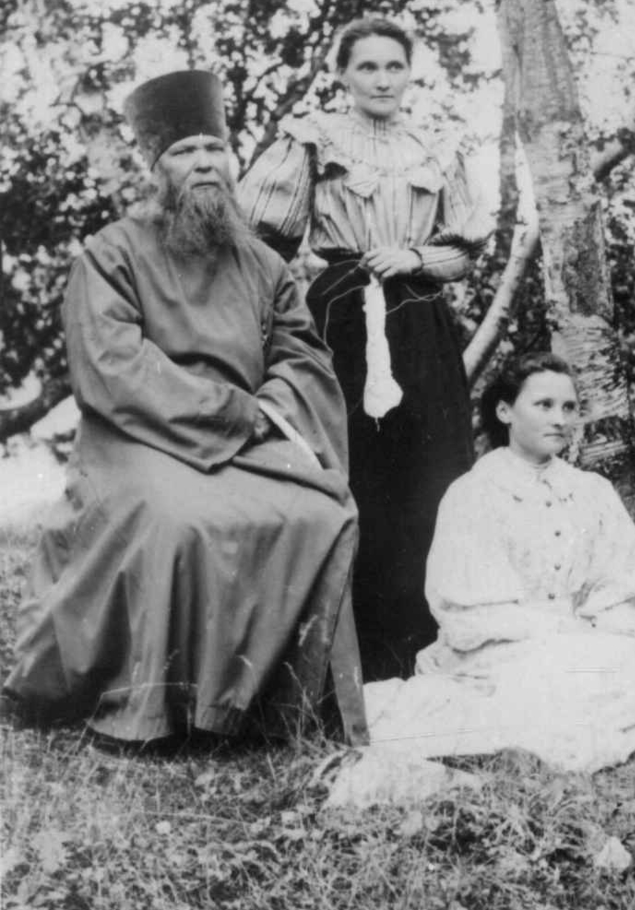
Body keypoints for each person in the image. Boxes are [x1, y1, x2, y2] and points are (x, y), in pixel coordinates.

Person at [0, 70, 366, 745]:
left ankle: (272, 707)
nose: (204, 163)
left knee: (322, 510)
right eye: (185, 152)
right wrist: (229, 410)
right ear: (156, 168)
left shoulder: (264, 265)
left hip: (252, 434)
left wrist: (266, 411)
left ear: (233, 162)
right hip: (137, 438)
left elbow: (303, 359)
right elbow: (112, 365)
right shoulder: (108, 253)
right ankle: (161, 710)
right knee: (179, 518)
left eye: (214, 150)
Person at [238, 17, 489, 680]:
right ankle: (348, 655)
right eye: (367, 67)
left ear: (410, 73)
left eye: (394, 66)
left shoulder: (438, 144)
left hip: (420, 321)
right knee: (354, 469)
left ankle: (426, 642)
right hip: (340, 318)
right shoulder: (311, 140)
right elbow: (265, 242)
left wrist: (413, 254)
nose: (382, 79)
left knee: (432, 472)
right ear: (342, 74)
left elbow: (464, 250)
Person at [361, 352, 635, 772]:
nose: (560, 419)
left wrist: (597, 632)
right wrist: (558, 634)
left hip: (581, 642)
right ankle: (538, 742)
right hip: (496, 651)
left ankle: (532, 740)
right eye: (544, 405)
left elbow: (623, 587)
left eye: (569, 407)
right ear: (505, 411)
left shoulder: (591, 490)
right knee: (550, 686)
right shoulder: (474, 493)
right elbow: (468, 615)